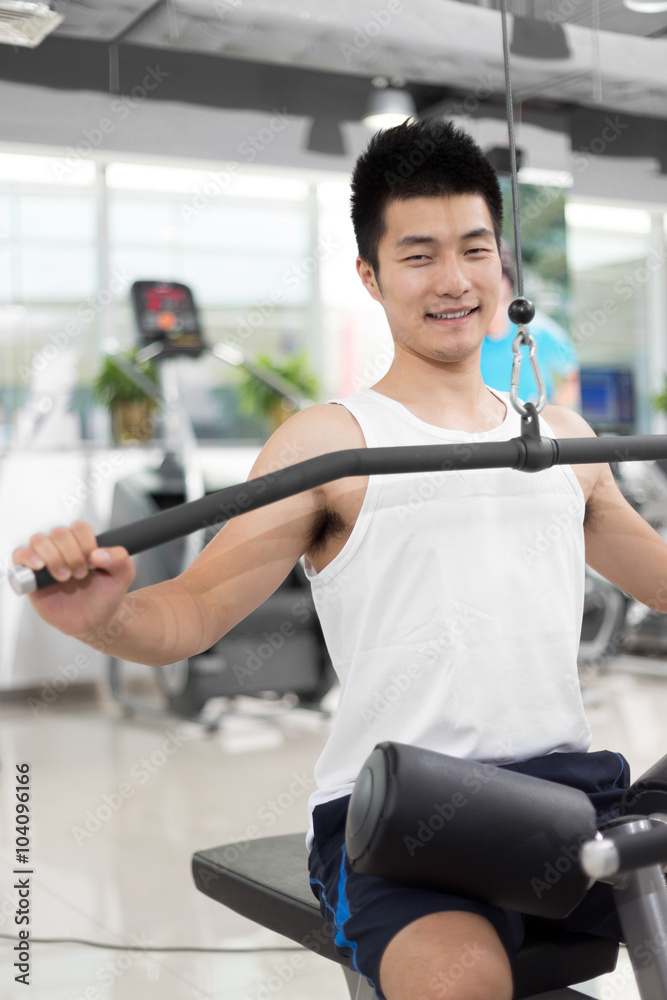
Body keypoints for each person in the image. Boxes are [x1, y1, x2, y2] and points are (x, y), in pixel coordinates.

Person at [12, 119, 667, 1000]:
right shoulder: (329, 445)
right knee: (460, 981)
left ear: (500, 266)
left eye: (474, 248)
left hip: (562, 804)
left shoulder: (559, 441)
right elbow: (189, 616)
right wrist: (109, 614)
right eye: (418, 254)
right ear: (370, 274)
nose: (453, 280)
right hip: (404, 825)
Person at [480, 240, 581, 408]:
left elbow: (574, 377)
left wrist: (550, 412)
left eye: (496, 277)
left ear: (508, 281)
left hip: (529, 426)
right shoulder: (467, 334)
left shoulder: (537, 330)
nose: (490, 287)